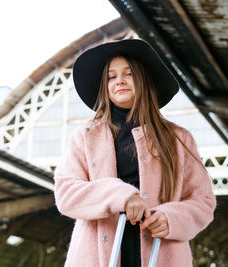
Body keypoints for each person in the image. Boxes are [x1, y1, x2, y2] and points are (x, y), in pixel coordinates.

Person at [53, 39, 216, 267]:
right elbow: (65, 193)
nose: (119, 80)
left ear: (143, 79)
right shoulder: (85, 136)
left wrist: (171, 219)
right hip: (95, 257)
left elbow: (203, 201)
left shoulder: (179, 139)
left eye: (128, 74)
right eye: (111, 76)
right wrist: (122, 195)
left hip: (162, 251)